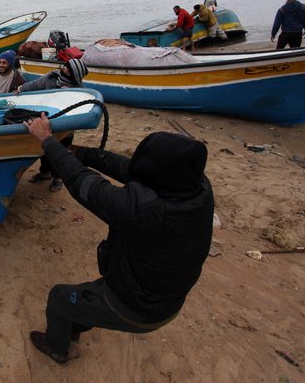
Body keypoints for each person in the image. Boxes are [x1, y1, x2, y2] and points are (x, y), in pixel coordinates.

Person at [24, 118, 213, 365]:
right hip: (167, 297)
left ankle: (56, 347)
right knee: (84, 299)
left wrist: (47, 141)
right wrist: (80, 152)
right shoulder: (197, 187)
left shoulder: (143, 210)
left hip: (137, 308)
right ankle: (75, 326)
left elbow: (83, 182)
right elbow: (130, 169)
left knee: (60, 297)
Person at [19, 59, 89, 192]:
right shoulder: (52, 77)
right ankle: (44, 173)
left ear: (75, 75)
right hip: (47, 123)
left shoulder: (79, 90)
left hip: (65, 128)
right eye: (66, 65)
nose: (65, 68)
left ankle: (57, 179)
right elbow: (36, 84)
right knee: (45, 150)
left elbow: (82, 108)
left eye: (69, 69)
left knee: (60, 153)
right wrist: (21, 89)